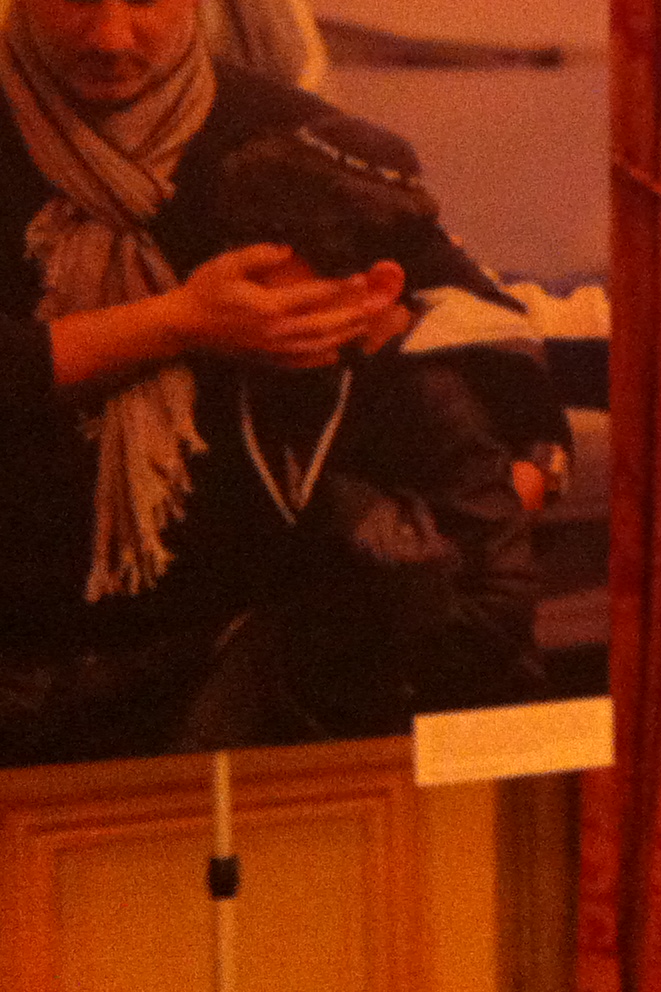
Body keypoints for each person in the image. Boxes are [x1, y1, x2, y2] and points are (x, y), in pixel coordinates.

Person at [0, 0, 543, 767]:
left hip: (241, 675)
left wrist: (404, 348)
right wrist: (183, 322)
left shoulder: (292, 138)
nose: (111, 34)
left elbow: (495, 346)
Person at [192, 122, 547, 742]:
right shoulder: (274, 367)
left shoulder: (432, 395)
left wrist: (369, 541)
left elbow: (500, 607)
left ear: (379, 288)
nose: (245, 311)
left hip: (410, 719)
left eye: (276, 294)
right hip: (295, 693)